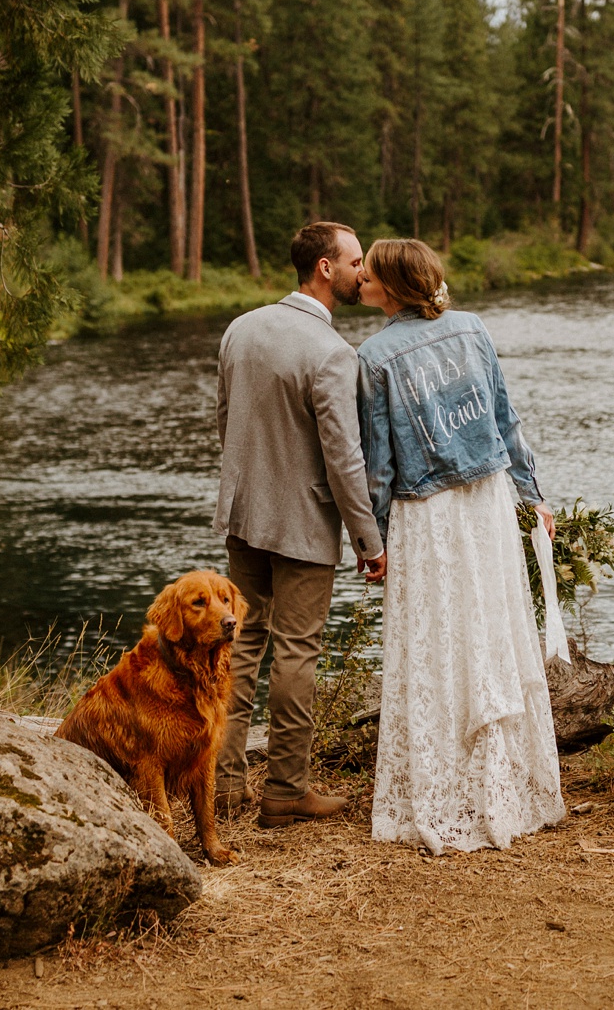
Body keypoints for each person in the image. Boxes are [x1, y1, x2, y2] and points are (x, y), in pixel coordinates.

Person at [355, 238, 566, 854]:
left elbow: (378, 464)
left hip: (429, 518)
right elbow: (506, 420)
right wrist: (533, 495)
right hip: (490, 503)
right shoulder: (472, 328)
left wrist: (374, 538)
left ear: (390, 287)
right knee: (493, 634)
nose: (360, 278)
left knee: (436, 644)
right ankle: (504, 790)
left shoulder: (372, 357)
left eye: (368, 273)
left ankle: (448, 792)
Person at [213, 221, 387, 830]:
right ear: (324, 269)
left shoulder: (241, 328)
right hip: (304, 525)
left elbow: (225, 420)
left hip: (243, 515)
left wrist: (242, 490)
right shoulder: (332, 353)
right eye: (354, 261)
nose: (361, 272)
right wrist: (369, 540)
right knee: (296, 651)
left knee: (241, 645)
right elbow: (345, 459)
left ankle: (225, 783)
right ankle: (285, 790)